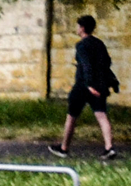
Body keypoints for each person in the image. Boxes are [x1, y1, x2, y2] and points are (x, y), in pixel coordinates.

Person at [50, 15, 118, 159]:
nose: (76, 29)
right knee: (102, 116)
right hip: (100, 86)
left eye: (77, 26)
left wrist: (88, 85)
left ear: (82, 28)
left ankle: (64, 148)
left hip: (83, 86)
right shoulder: (99, 44)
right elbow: (106, 63)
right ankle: (109, 147)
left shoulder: (81, 45)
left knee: (71, 117)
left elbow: (87, 65)